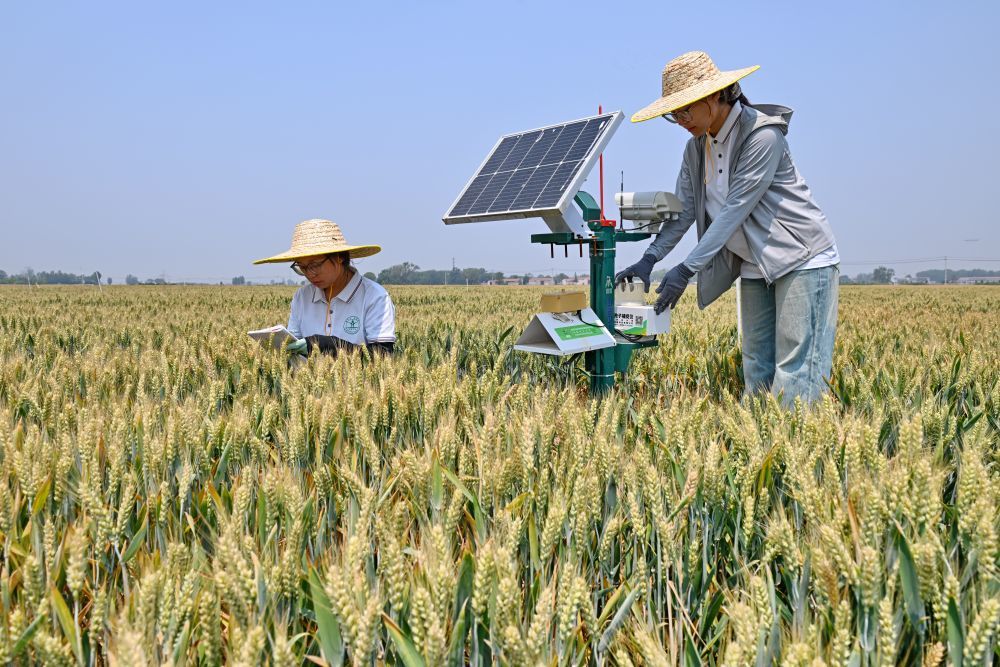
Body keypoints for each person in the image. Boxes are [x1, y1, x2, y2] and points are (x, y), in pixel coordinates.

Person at [616, 51, 839, 406]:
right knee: (756, 365)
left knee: (796, 369)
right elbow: (684, 211)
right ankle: (759, 451)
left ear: (716, 96)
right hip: (752, 263)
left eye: (686, 109)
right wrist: (650, 258)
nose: (680, 119)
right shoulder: (695, 149)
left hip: (801, 258)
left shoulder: (762, 135)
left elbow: (735, 210)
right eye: (674, 114)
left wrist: (687, 268)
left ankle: (793, 452)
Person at [253, 218, 396, 357]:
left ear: (339, 257)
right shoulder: (302, 297)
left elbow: (382, 355)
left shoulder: (375, 296)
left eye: (315, 265)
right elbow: (293, 349)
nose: (310, 274)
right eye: (302, 267)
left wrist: (327, 345)